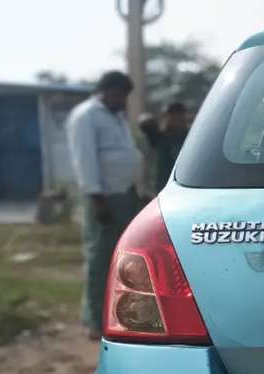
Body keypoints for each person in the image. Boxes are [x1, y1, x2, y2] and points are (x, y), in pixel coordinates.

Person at [66, 71, 142, 340]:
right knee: (99, 258)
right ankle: (95, 321)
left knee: (124, 257)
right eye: (120, 94)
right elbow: (84, 159)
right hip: (102, 197)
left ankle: (120, 315)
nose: (123, 100)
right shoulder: (86, 116)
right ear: (107, 90)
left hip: (124, 193)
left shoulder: (116, 116)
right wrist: (97, 199)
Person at [140, 100, 190, 191]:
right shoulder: (159, 138)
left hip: (187, 186)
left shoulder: (191, 138)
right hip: (164, 188)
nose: (176, 117)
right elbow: (144, 121)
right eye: (172, 114)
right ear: (165, 118)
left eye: (180, 114)